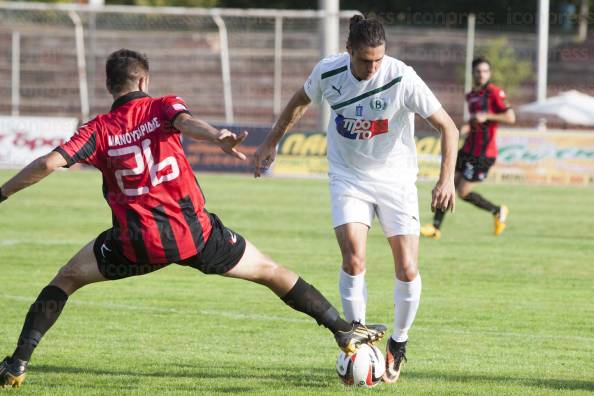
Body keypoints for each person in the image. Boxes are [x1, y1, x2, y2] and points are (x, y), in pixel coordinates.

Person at [0, 49, 387, 388]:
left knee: (66, 279)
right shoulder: (161, 106)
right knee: (271, 271)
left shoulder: (97, 129)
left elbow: (49, 162)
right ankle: (341, 328)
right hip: (196, 235)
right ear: (144, 79)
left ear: (109, 86)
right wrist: (217, 136)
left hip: (135, 245)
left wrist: (3, 193)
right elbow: (185, 122)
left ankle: (17, 363)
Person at [254, 16, 458, 384]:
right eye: (366, 60)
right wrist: (272, 140)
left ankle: (399, 342)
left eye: (378, 59)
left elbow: (448, 126)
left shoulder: (401, 77)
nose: (373, 67)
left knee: (408, 268)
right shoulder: (328, 72)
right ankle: (357, 337)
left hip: (396, 180)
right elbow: (299, 101)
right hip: (348, 178)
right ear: (348, 51)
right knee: (353, 256)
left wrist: (446, 180)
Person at [420, 57, 516, 240]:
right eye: (478, 71)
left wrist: (487, 116)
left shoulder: (495, 93)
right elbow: (475, 121)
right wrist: (467, 127)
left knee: (462, 192)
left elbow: (511, 117)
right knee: (447, 181)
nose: (482, 74)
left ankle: (497, 211)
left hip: (483, 153)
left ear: (490, 73)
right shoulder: (471, 95)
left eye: (485, 71)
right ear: (473, 73)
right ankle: (435, 227)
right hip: (468, 149)